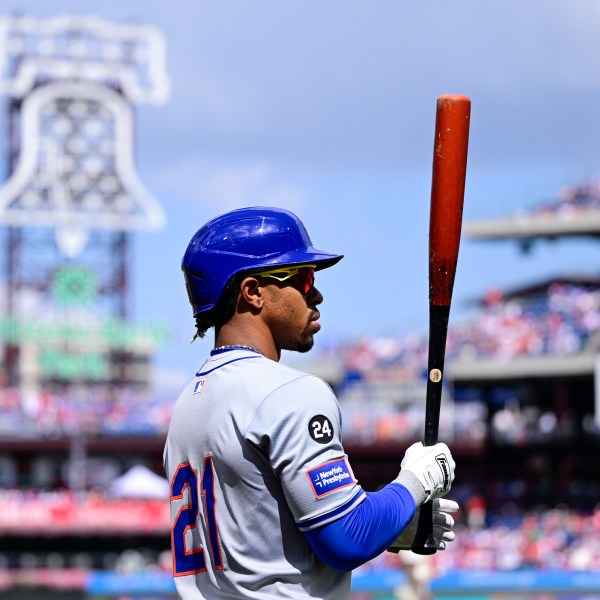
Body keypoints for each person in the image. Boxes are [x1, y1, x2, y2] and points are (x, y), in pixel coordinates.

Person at [163, 206, 459, 600]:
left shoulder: (187, 404)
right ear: (253, 292)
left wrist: (392, 523)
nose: (317, 294)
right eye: (302, 278)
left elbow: (265, 530)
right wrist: (414, 482)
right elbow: (348, 541)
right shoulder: (288, 392)